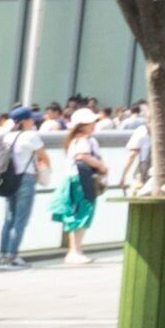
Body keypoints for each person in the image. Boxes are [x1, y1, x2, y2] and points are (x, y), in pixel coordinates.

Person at [46, 108, 104, 264]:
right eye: (91, 122)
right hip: (82, 180)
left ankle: (75, 250)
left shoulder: (75, 140)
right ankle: (74, 251)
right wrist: (101, 166)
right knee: (82, 213)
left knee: (76, 213)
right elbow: (82, 156)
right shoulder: (84, 140)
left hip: (74, 179)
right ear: (83, 125)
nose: (93, 124)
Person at [0, 108, 44, 268]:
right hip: (25, 179)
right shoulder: (31, 136)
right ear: (24, 121)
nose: (33, 121)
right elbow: (43, 156)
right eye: (30, 119)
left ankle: (3, 255)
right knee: (20, 219)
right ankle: (12, 257)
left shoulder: (7, 136)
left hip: (9, 179)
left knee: (9, 218)